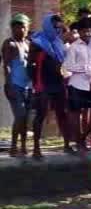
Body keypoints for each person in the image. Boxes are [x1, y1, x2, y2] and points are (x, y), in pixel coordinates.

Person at [28, 13, 71, 157]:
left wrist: (65, 78)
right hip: (44, 84)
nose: (57, 29)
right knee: (41, 114)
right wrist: (35, 84)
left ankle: (66, 144)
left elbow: (63, 64)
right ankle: (36, 148)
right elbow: (31, 66)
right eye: (55, 26)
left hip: (58, 83)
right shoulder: (37, 42)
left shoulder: (59, 43)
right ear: (48, 25)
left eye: (59, 27)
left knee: (62, 114)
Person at [63, 18, 91, 151]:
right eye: (84, 31)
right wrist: (86, 69)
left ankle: (90, 138)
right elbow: (68, 67)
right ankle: (79, 142)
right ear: (79, 32)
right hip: (77, 84)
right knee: (76, 115)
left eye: (89, 31)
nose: (87, 34)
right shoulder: (74, 47)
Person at [2, 14, 32, 156]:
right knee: (20, 115)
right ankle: (14, 146)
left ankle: (24, 146)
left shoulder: (29, 43)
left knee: (25, 117)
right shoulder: (9, 44)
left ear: (27, 28)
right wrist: (8, 84)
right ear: (12, 28)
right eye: (17, 26)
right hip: (14, 84)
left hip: (28, 86)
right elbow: (7, 65)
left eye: (23, 26)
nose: (20, 29)